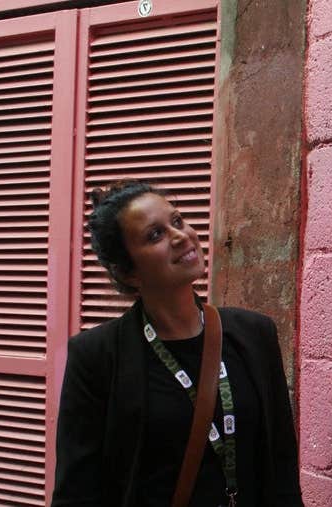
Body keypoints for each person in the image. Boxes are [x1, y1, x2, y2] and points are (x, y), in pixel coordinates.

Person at [52, 180, 302, 506]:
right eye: (155, 235)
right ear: (128, 273)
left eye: (178, 221)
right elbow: (77, 492)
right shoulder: (96, 356)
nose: (180, 236)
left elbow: (282, 468)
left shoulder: (255, 334)